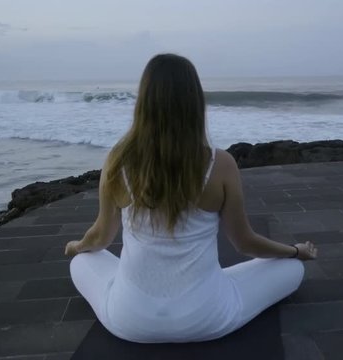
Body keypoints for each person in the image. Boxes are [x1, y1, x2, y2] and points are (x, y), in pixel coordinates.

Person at [65, 53, 318, 343]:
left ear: (144, 101)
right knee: (292, 267)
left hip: (129, 320)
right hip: (207, 316)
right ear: (194, 101)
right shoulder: (219, 164)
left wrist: (78, 245)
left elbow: (100, 237)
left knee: (81, 261)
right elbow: (245, 242)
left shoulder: (117, 161)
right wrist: (296, 251)